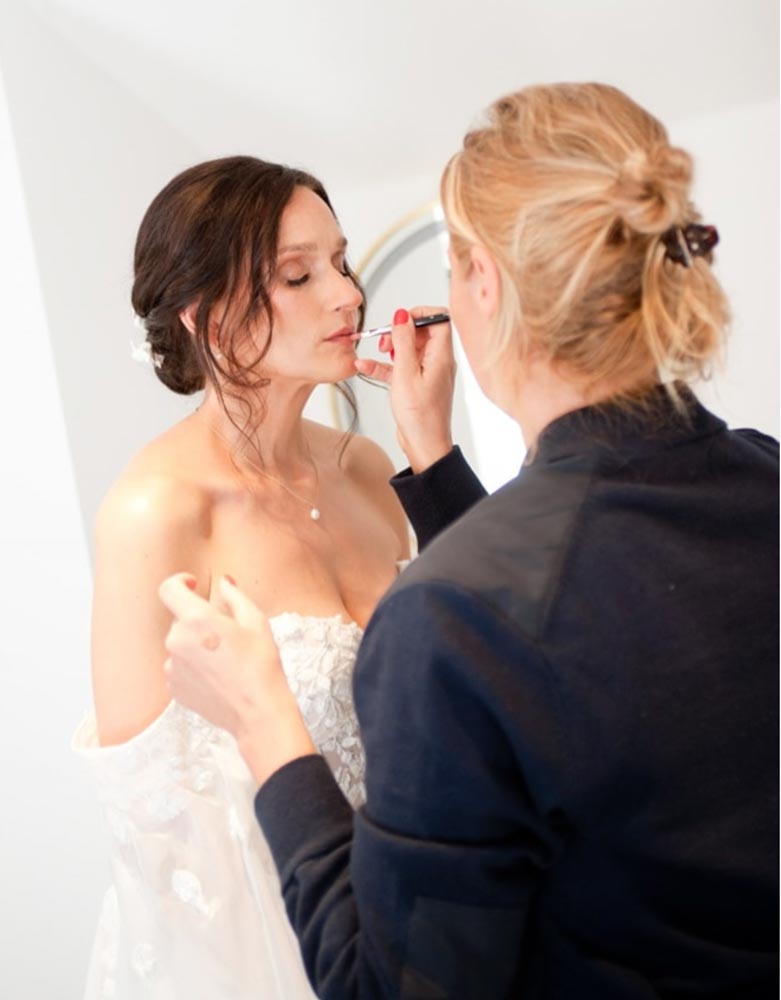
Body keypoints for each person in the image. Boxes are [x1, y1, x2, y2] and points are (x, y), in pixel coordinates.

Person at [160, 84, 779, 999]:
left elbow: (390, 987)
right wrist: (435, 456)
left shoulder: (446, 615)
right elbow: (553, 621)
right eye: (301, 274)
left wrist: (266, 726)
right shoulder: (762, 477)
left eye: (450, 264)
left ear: (482, 281)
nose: (347, 294)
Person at [72, 155, 416, 998]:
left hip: (411, 916)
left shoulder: (367, 469)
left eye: (339, 262)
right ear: (207, 317)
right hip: (261, 950)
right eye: (299, 276)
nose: (347, 295)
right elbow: (155, 840)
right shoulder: (155, 512)